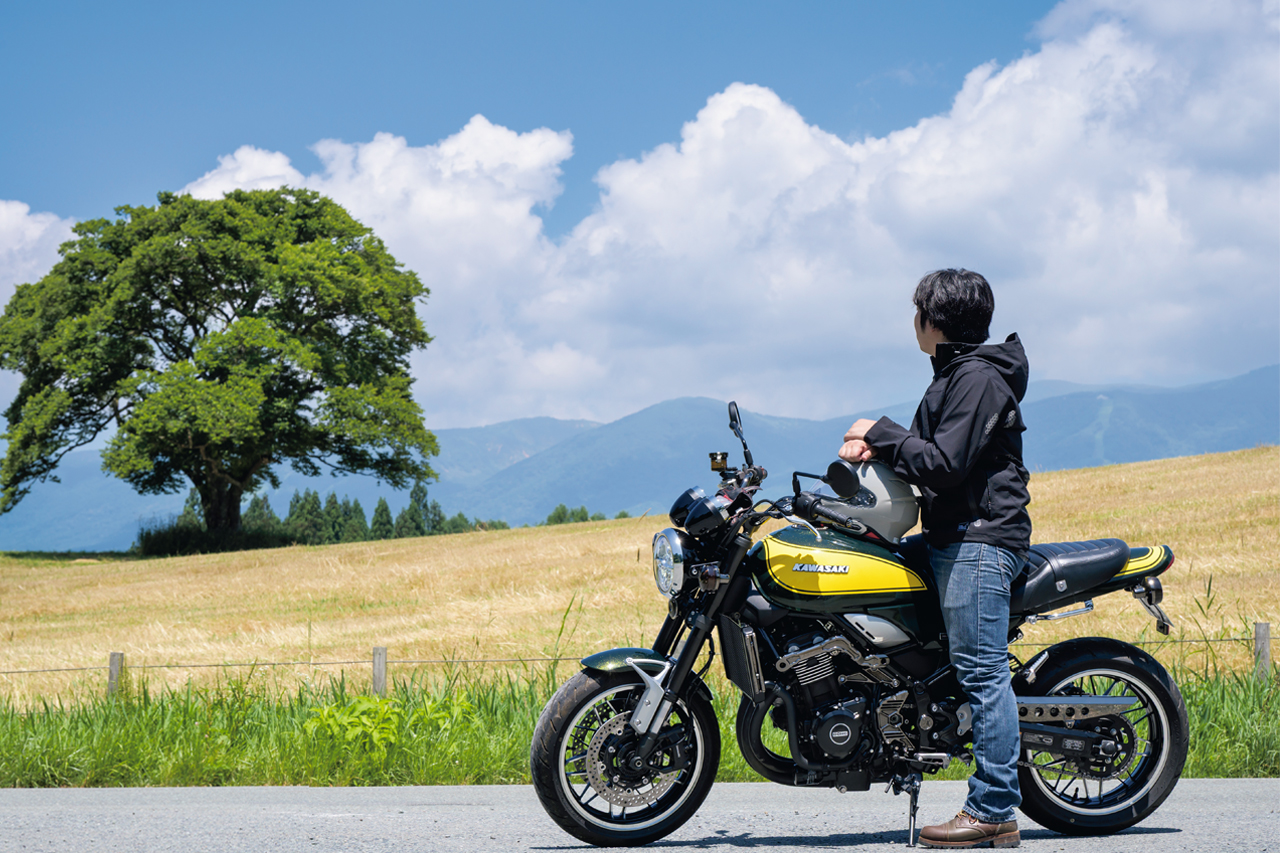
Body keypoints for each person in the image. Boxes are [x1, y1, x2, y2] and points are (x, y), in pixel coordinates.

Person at [840, 268, 1030, 849]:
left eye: (916, 311)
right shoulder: (954, 376)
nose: (913, 321)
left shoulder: (977, 379)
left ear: (933, 320)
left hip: (980, 542)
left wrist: (882, 429)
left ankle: (994, 809)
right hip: (952, 536)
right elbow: (929, 457)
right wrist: (878, 446)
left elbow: (945, 463)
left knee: (982, 669)